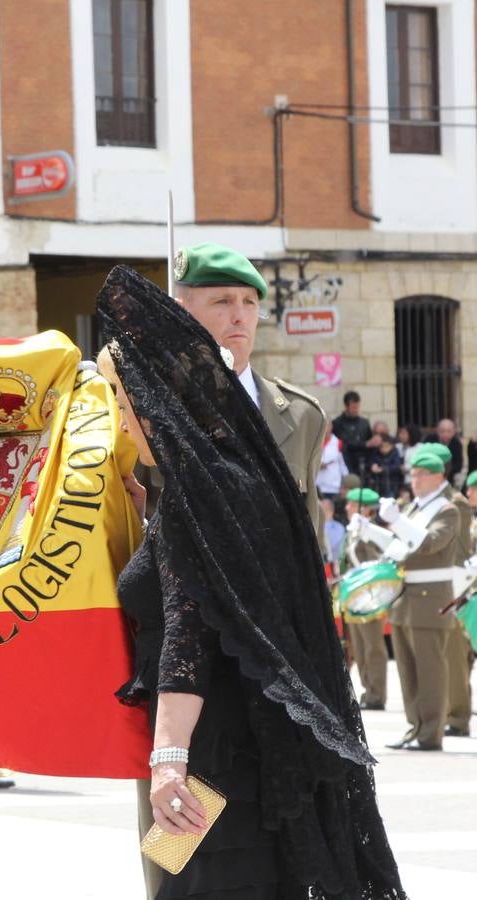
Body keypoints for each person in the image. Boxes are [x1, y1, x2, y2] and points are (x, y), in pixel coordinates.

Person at [96, 265, 405, 899]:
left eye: (126, 405)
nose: (124, 423)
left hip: (211, 758)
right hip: (260, 749)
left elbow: (189, 636)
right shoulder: (241, 475)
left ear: (157, 402)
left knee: (200, 886)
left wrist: (168, 761)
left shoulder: (196, 497)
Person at [172, 243, 326, 532]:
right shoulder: (151, 408)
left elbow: (309, 539)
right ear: (182, 312)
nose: (239, 316)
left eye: (250, 302)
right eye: (223, 302)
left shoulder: (303, 417)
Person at [378, 451, 460, 751]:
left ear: (438, 476)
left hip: (430, 598)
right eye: (412, 474)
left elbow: (428, 544)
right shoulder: (415, 507)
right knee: (408, 671)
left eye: (422, 474)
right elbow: (399, 547)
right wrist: (371, 530)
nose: (415, 480)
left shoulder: (448, 510)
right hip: (405, 598)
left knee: (430, 671)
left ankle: (430, 733)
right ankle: (415, 727)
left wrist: (398, 520)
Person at [421, 443, 473, 737]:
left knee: (453, 653)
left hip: (452, 584)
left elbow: (460, 548)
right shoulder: (428, 501)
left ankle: (459, 716)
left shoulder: (456, 502)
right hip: (434, 586)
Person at [340, 488, 388, 710]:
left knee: (372, 646)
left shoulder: (372, 533)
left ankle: (377, 693)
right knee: (358, 647)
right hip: (353, 595)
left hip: (369, 597)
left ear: (366, 510)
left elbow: (375, 564)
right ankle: (368, 690)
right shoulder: (352, 532)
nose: (348, 508)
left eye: (352, 504)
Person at [332, 391, 374, 477]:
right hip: (345, 464)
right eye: (353, 407)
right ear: (346, 406)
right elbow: (343, 443)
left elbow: (370, 443)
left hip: (363, 466)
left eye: (357, 407)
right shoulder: (337, 423)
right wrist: (365, 444)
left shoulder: (364, 423)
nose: (356, 410)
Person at [424, 418, 463, 485]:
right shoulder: (430, 440)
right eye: (442, 431)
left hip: (449, 477)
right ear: (437, 431)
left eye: (449, 431)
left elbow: (458, 464)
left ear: (453, 432)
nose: (445, 434)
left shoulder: (456, 444)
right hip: (429, 475)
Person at [316, 419, 347, 499]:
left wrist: (344, 486)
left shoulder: (338, 443)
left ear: (331, 427)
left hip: (333, 487)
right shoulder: (314, 443)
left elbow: (344, 467)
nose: (325, 428)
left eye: (327, 425)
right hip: (317, 486)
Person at [368, 433, 402, 498]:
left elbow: (397, 467)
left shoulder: (395, 454)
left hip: (391, 484)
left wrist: (383, 469)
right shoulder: (376, 453)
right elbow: (371, 462)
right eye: (381, 446)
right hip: (378, 484)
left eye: (386, 446)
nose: (383, 449)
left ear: (392, 446)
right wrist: (372, 465)